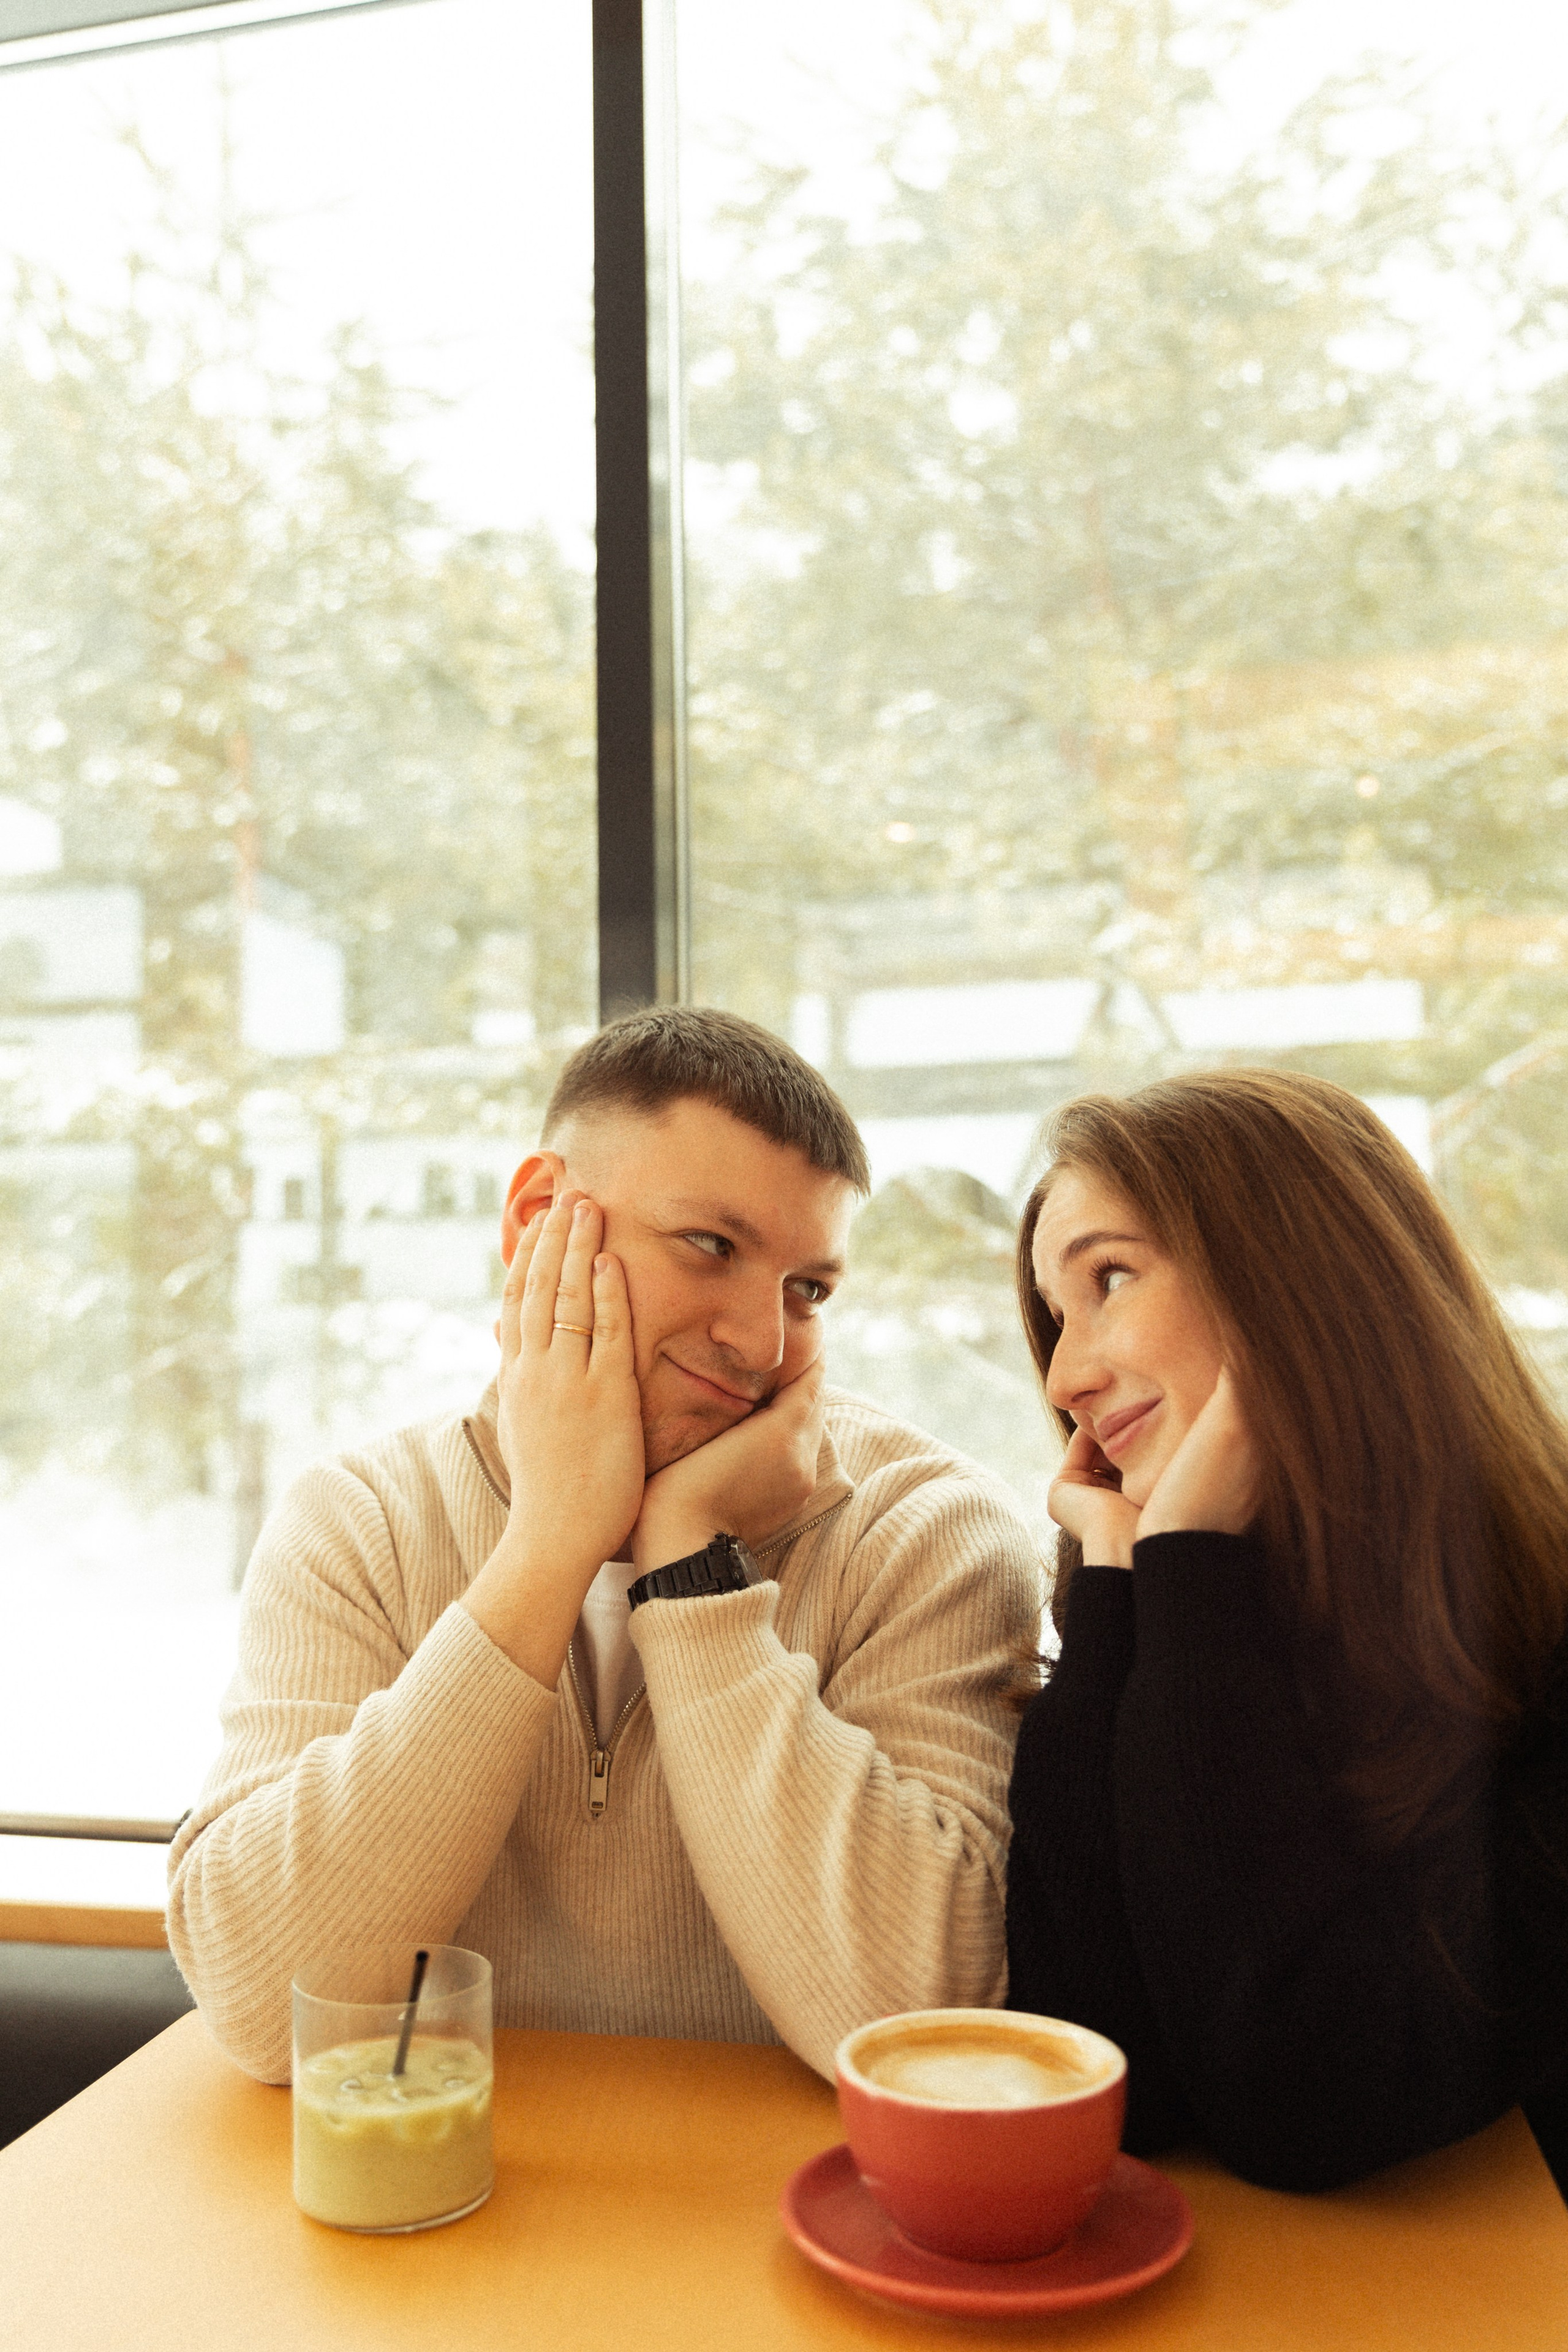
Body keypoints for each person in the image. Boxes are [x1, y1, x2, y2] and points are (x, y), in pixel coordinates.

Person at [170, 1007, 1042, 2082]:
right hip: (454, 2217)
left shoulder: (932, 1533)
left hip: (787, 2227)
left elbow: (921, 2026)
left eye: (807, 1291)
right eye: (711, 1247)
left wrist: (690, 1566)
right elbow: (264, 2011)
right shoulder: (359, 1521)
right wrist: (547, 1547)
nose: (762, 1342)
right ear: (541, 1216)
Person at [1005, 1069, 1568, 2193]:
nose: (1065, 1376)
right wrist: (1124, 1576)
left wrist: (1186, 1572)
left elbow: (1315, 2109)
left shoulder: (1542, 1636)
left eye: (1109, 1277)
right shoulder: (1202, 1619)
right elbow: (1104, 2084)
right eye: (1057, 1320)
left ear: (1293, 1278)